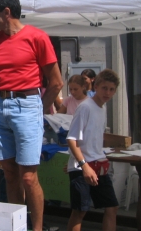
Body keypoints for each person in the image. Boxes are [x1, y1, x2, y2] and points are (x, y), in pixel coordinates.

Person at [0, 0, 63, 231]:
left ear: (6, 12)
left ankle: (37, 228)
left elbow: (56, 82)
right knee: (9, 174)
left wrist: (36, 111)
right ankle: (17, 227)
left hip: (27, 106)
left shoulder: (37, 37)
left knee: (29, 177)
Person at [66, 69, 119, 231]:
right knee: (80, 211)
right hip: (84, 166)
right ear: (95, 86)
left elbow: (94, 136)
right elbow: (72, 138)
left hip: (98, 163)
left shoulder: (102, 109)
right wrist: (83, 165)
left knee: (112, 207)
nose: (107, 93)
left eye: (111, 89)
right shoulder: (85, 107)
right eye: (104, 88)